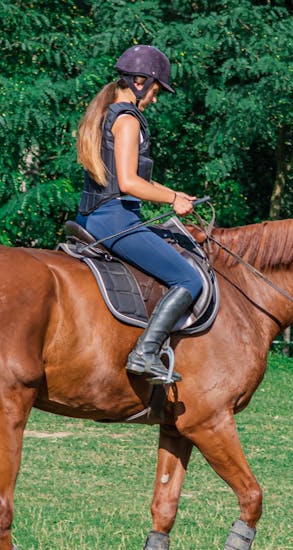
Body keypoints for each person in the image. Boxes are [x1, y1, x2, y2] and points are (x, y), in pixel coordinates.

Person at [76, 44, 202, 384]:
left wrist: (174, 194)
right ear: (141, 82)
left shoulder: (107, 113)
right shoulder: (128, 119)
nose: (156, 99)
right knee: (190, 278)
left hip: (93, 215)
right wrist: (171, 198)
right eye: (156, 91)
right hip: (115, 218)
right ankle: (144, 354)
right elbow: (130, 183)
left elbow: (130, 177)